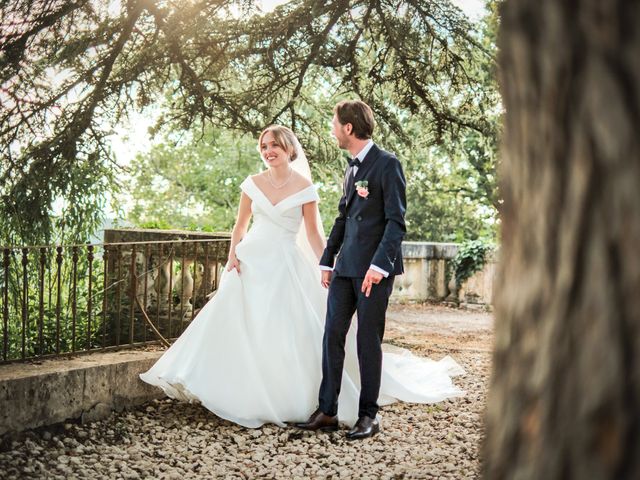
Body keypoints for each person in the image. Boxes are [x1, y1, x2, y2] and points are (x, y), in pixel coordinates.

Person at [139, 123, 464, 432]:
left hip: (285, 265)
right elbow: (240, 225)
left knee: (285, 329)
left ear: (288, 149)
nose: (268, 151)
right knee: (242, 325)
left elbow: (313, 234)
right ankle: (235, 389)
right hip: (251, 261)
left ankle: (291, 398)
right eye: (264, 146)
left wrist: (328, 264)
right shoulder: (251, 183)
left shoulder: (305, 188)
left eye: (274, 145)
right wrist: (232, 253)